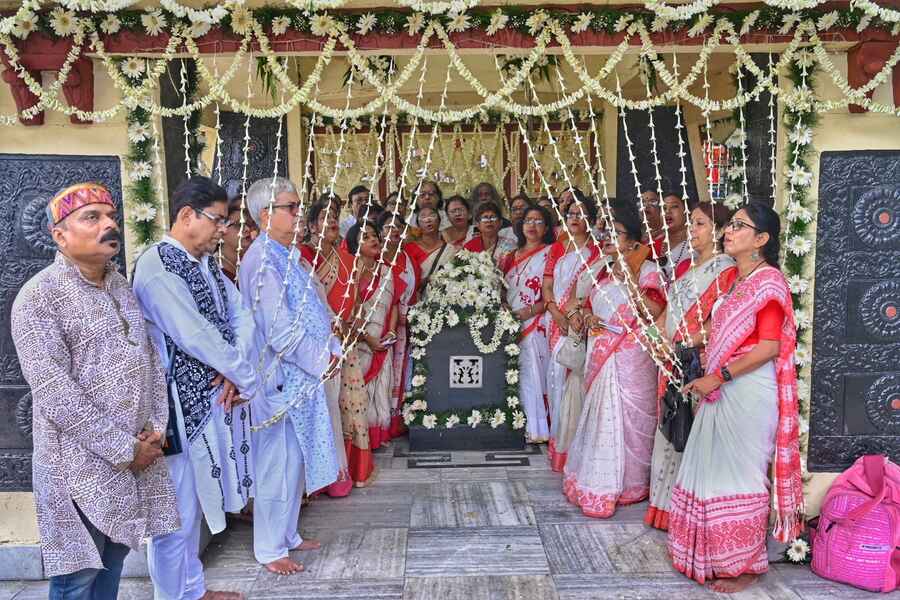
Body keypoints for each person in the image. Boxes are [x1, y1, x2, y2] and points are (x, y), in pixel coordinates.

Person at [11, 183, 178, 599]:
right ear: (59, 236)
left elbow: (150, 363)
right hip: (77, 464)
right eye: (92, 218)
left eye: (110, 216)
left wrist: (155, 428)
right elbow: (54, 392)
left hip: (134, 458)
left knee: (115, 561)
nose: (109, 224)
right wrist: (125, 448)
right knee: (78, 576)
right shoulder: (38, 297)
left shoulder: (119, 284)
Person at [133, 176, 259, 600]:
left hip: (205, 405)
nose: (223, 230)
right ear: (187, 215)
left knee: (192, 511)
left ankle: (192, 590)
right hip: (169, 411)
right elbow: (196, 335)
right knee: (173, 518)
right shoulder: (158, 265)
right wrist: (244, 375)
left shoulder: (202, 262)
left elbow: (238, 314)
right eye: (218, 220)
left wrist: (235, 373)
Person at [668, 202, 803, 593]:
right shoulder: (735, 282)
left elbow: (769, 347)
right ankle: (708, 554)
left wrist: (718, 376)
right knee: (711, 471)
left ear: (761, 240)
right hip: (722, 387)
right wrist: (686, 341)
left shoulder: (769, 283)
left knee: (739, 476)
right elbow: (714, 331)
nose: (728, 231)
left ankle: (745, 565)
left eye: (739, 226)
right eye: (729, 225)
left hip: (747, 391)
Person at [240, 177, 340, 576]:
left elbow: (313, 309)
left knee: (294, 460)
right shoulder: (262, 259)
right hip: (281, 378)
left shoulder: (285, 253)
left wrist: (329, 348)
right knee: (276, 465)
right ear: (267, 215)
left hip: (302, 376)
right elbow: (279, 329)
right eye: (292, 207)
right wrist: (320, 358)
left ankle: (288, 534)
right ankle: (269, 548)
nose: (300, 214)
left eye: (299, 206)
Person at [563, 202, 666, 518]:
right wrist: (588, 316)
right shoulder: (601, 269)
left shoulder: (649, 270)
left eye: (615, 232)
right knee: (603, 420)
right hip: (602, 354)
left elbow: (654, 312)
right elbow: (586, 305)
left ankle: (631, 485)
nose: (606, 236)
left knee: (633, 423)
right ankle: (599, 483)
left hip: (632, 359)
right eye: (604, 230)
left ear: (634, 241)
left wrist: (630, 277)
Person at [645, 202, 735, 532]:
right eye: (693, 224)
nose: (693, 231)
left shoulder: (726, 271)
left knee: (685, 429)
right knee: (669, 425)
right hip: (669, 358)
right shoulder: (690, 269)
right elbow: (665, 312)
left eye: (699, 224)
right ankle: (663, 507)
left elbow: (720, 321)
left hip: (694, 362)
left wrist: (681, 343)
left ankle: (684, 511)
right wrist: (654, 335)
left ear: (720, 230)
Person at [306, 202, 374, 488]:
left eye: (335, 216)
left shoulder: (348, 259)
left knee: (347, 406)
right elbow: (307, 303)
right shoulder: (303, 256)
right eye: (324, 217)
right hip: (316, 346)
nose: (332, 221)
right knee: (325, 408)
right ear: (311, 226)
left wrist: (351, 327)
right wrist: (333, 328)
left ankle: (346, 472)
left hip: (345, 341)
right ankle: (324, 477)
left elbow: (356, 303)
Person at [542, 194, 600, 470]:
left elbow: (593, 288)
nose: (575, 219)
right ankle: (559, 438)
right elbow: (547, 285)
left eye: (582, 214)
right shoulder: (558, 248)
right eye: (571, 214)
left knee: (575, 377)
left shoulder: (597, 251)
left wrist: (572, 311)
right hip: (555, 321)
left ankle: (576, 440)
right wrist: (555, 311)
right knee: (555, 376)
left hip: (579, 321)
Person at [499, 205, 555, 443]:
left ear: (547, 227)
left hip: (536, 321)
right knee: (515, 372)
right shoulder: (510, 255)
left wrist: (529, 311)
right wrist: (505, 308)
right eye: (528, 221)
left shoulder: (551, 253)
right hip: (510, 321)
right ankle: (517, 422)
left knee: (534, 374)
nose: (532, 226)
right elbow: (502, 288)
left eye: (539, 221)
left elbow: (552, 293)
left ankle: (538, 428)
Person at [378, 211, 421, 439]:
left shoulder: (408, 257)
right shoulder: (378, 260)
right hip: (386, 325)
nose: (393, 231)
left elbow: (415, 292)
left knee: (404, 372)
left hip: (409, 326)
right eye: (387, 227)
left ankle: (402, 419)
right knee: (385, 374)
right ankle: (385, 423)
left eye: (397, 226)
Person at [408, 205, 454, 297]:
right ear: (418, 224)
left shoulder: (450, 249)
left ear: (439, 221)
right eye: (423, 216)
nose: (428, 219)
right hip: (414, 300)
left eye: (432, 215)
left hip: (442, 299)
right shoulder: (409, 249)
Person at [219, 197, 259, 283]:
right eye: (239, 224)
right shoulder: (215, 271)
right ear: (222, 229)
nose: (247, 229)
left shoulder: (255, 265)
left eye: (250, 224)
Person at [660, 192, 693, 283]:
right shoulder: (655, 244)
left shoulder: (696, 244)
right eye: (663, 208)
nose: (667, 211)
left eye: (674, 206)